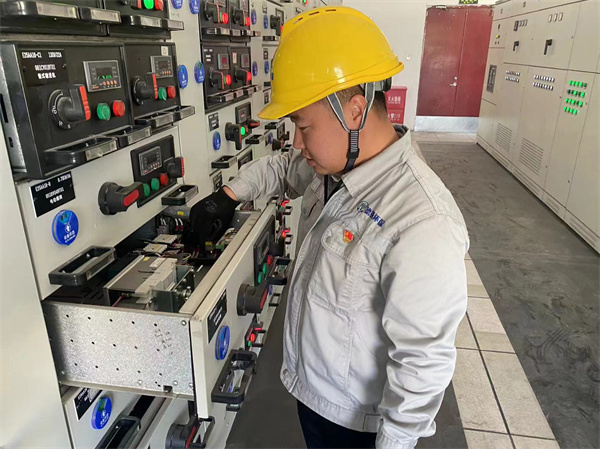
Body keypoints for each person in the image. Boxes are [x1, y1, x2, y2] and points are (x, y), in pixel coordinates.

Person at [185, 6, 469, 449]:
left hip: (357, 426)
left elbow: (423, 361)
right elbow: (283, 168)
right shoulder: (336, 167)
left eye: (303, 125)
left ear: (354, 111)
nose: (297, 142)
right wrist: (229, 195)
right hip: (314, 397)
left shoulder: (421, 220)